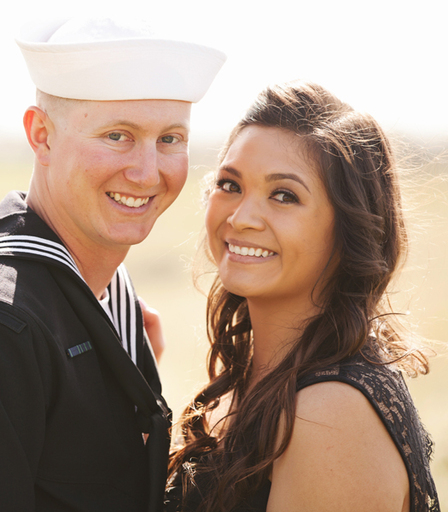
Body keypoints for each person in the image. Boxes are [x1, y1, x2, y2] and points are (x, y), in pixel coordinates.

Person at [0, 17, 225, 512]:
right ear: (42, 135)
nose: (147, 171)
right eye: (117, 136)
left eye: (170, 140)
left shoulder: (99, 299)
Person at [165, 81, 440, 511]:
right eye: (230, 185)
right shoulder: (244, 385)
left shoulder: (332, 414)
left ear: (348, 230)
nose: (241, 218)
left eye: (284, 196)